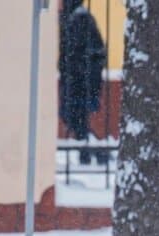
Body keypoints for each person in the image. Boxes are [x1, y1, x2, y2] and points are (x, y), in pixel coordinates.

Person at [59, 0, 107, 164]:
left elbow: (94, 51)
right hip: (75, 79)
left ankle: (92, 151)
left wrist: (80, 68)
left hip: (80, 81)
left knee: (77, 118)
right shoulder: (71, 18)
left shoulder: (81, 18)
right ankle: (90, 151)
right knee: (74, 118)